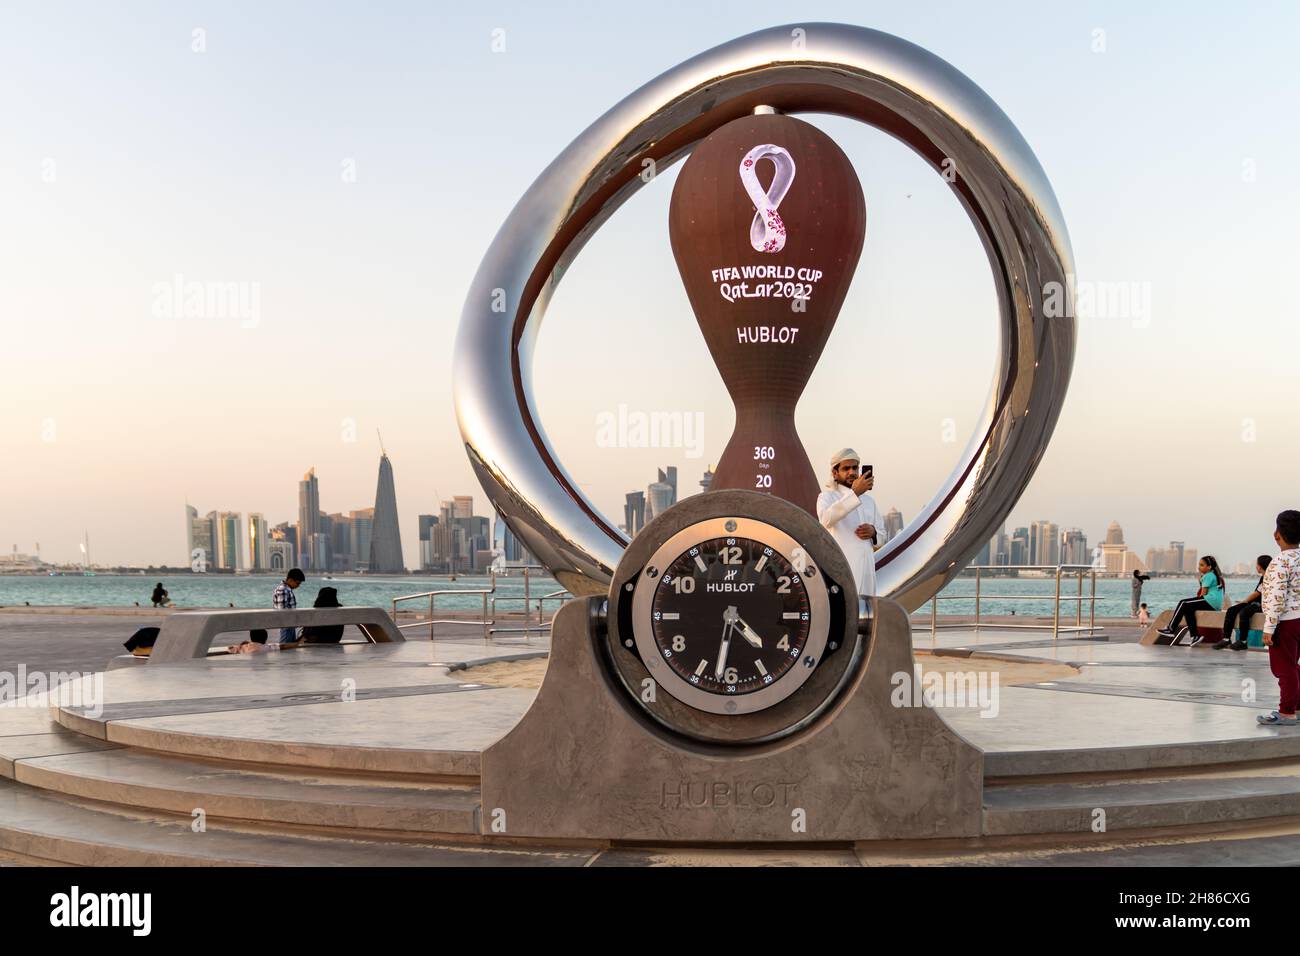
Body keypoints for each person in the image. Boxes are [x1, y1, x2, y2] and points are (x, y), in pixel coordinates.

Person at [815, 448, 883, 600]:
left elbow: (883, 534)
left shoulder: (869, 501)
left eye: (855, 467)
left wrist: (873, 532)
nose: (852, 472)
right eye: (846, 468)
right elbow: (826, 520)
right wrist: (854, 494)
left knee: (867, 616)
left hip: (867, 573)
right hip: (842, 570)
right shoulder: (826, 497)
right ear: (835, 473)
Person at [1257, 510, 1300, 726]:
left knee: (1284, 669)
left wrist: (1269, 627)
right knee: (1294, 666)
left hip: (1286, 622)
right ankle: (1298, 707)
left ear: (1277, 535)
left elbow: (1276, 597)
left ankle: (1286, 712)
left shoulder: (1279, 562)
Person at [1156, 555, 1226, 646]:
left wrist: (1196, 600)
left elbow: (1203, 594)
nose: (1199, 567)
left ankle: (1171, 628)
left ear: (1209, 567)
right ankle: (1195, 636)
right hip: (1215, 603)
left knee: (1183, 603)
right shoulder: (1213, 575)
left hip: (1210, 601)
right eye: (1199, 565)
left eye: (1202, 565)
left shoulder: (1208, 576)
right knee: (1188, 609)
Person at [1214, 554, 1272, 650]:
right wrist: (1244, 602)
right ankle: (1226, 638)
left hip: (1261, 605)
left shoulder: (1268, 577)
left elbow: (1257, 593)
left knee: (1244, 612)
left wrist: (1245, 601)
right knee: (1231, 610)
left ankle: (1243, 641)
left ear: (1260, 566)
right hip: (1254, 603)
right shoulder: (1264, 576)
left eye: (1257, 564)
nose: (1256, 566)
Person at [272, 568, 305, 645]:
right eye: (297, 583)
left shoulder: (286, 589)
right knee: (285, 648)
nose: (298, 586)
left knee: (290, 648)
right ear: (290, 580)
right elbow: (282, 611)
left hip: (289, 625)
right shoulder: (283, 590)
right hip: (286, 625)